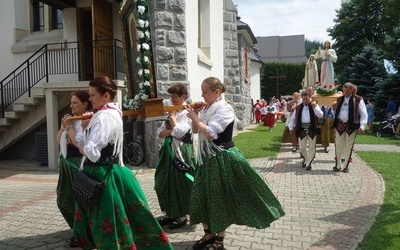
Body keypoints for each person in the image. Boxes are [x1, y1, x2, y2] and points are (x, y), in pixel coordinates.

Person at [74, 76, 173, 249]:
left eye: (92, 95)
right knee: (128, 215)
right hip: (109, 170)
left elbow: (92, 151)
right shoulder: (109, 112)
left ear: (106, 96)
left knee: (109, 220)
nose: (90, 99)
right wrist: (84, 128)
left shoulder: (104, 116)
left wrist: (82, 148)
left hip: (102, 174)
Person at [186, 77, 285, 250]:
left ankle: (219, 240)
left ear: (217, 92)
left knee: (220, 199)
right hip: (205, 159)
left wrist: (195, 116)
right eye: (202, 92)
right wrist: (195, 115)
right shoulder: (207, 108)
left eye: (205, 92)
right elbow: (196, 131)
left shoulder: (225, 109)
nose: (202, 95)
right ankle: (208, 235)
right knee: (200, 196)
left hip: (222, 158)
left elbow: (210, 134)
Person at [155, 83, 196, 229]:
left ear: (183, 97)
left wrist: (172, 119)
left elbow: (180, 132)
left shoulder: (188, 112)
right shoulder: (170, 111)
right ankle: (170, 212)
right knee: (163, 181)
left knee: (180, 183)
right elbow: (159, 133)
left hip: (182, 152)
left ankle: (182, 215)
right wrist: (171, 130)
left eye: (175, 97)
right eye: (170, 97)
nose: (172, 100)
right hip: (167, 151)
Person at [56, 91, 91, 248]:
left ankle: (83, 234)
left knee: (80, 203)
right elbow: (58, 140)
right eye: (71, 103)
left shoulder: (87, 121)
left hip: (78, 164)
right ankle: (78, 230)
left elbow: (78, 144)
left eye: (74, 102)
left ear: (85, 104)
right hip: (66, 164)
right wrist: (64, 127)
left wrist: (69, 127)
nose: (71, 106)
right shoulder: (71, 121)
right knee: (64, 200)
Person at [331, 82, 367, 173]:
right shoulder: (339, 99)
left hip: (351, 125)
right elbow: (335, 114)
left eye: (347, 91)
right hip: (340, 124)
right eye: (344, 91)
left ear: (352, 90)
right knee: (338, 145)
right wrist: (333, 108)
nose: (346, 92)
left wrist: (362, 126)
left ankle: (346, 165)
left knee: (348, 146)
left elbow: (363, 114)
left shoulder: (358, 99)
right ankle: (337, 164)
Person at [288, 90, 323, 171]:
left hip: (312, 128)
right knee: (302, 147)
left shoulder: (314, 105)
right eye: (304, 99)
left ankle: (308, 163)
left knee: (311, 147)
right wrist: (290, 127)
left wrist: (315, 108)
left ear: (310, 98)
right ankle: (306, 159)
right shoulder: (298, 107)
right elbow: (293, 118)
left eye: (307, 99)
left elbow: (320, 115)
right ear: (302, 99)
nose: (305, 101)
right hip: (301, 129)